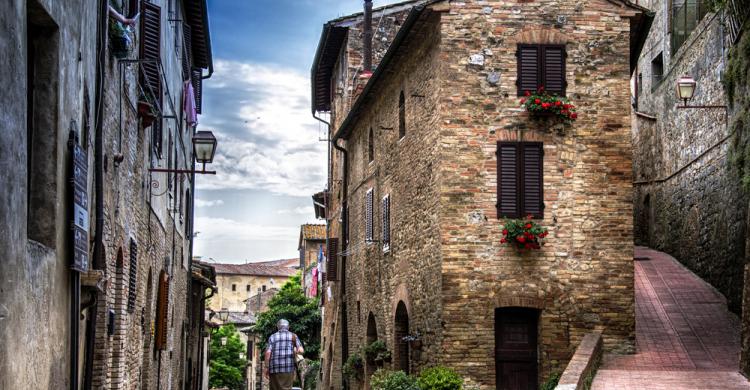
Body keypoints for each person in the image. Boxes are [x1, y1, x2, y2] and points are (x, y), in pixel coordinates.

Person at [264, 319, 304, 390]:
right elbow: (301, 350)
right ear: (288, 327)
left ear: (277, 327)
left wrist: (267, 367)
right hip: (288, 368)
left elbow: (268, 353)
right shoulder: (293, 336)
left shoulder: (272, 337)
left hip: (274, 369)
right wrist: (295, 350)